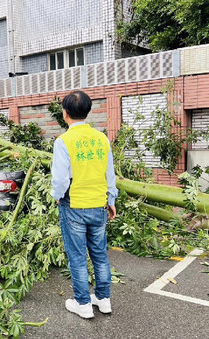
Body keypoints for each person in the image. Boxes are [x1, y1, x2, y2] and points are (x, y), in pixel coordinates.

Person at [51, 90, 118, 319]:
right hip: (99, 204)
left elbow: (60, 179)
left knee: (78, 257)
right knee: (99, 254)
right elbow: (110, 173)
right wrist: (111, 199)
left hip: (74, 206)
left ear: (65, 113)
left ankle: (83, 304)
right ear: (87, 112)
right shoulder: (102, 139)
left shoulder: (64, 142)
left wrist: (56, 196)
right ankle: (104, 299)